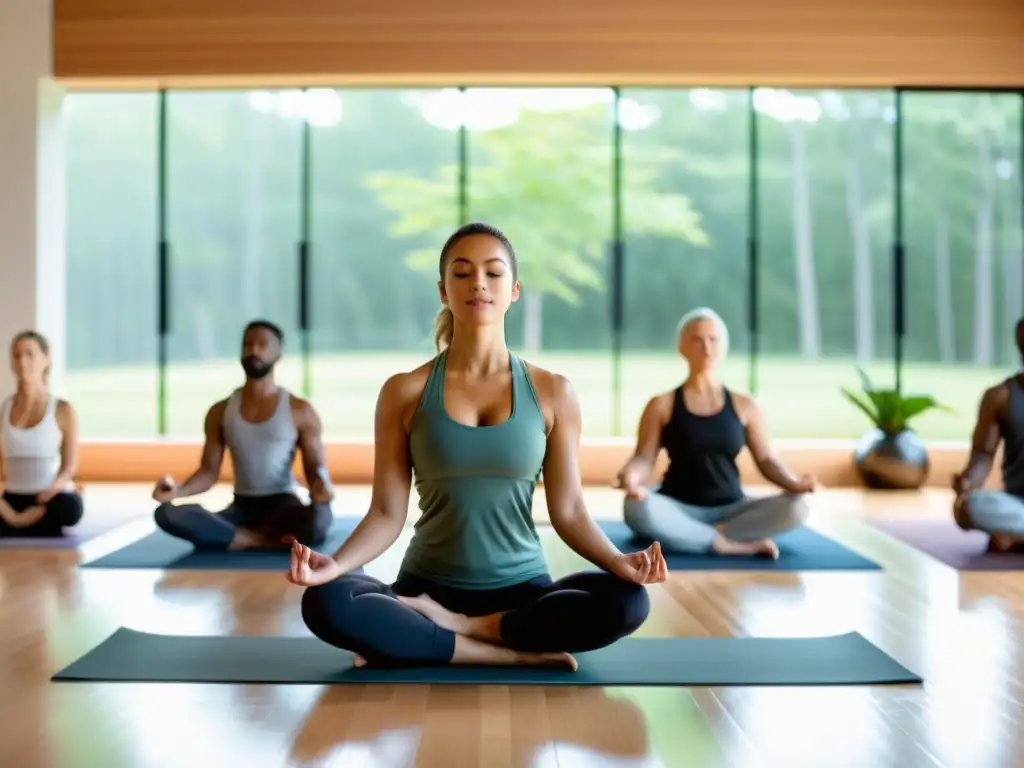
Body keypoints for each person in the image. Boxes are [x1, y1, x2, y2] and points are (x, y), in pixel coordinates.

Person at [286, 222, 665, 671]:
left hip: (521, 594)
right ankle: (499, 652)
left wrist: (619, 561)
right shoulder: (404, 392)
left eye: (494, 272)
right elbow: (387, 514)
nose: (479, 284)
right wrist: (334, 565)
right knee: (326, 601)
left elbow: (570, 512)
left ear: (515, 289)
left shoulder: (553, 392)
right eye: (462, 273)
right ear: (444, 291)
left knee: (628, 602)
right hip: (425, 590)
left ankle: (457, 632)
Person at [613, 307, 817, 559]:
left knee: (797, 509)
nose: (706, 347)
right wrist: (632, 477)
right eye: (697, 339)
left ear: (723, 347)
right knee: (635, 507)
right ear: (681, 347)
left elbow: (767, 460)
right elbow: (644, 458)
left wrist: (794, 483)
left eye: (713, 339)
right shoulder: (661, 404)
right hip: (676, 506)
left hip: (733, 508)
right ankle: (726, 543)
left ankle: (694, 536)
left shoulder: (745, 406)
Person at [152, 320, 334, 551]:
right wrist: (177, 492)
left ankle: (239, 539)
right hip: (240, 510)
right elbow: (208, 473)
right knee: (166, 514)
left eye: (262, 344)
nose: (254, 350)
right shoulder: (220, 411)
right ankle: (263, 540)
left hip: (285, 507)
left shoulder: (300, 410)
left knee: (319, 518)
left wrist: (321, 486)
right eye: (247, 344)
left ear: (278, 354)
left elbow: (315, 467)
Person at [0, 330, 84, 538]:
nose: (22, 361)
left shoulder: (63, 409)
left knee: (70, 507)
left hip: (47, 498)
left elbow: (69, 467)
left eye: (30, 354)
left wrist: (53, 489)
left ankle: (25, 524)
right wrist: (11, 515)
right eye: (17, 355)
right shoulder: (4, 409)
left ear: (45, 360)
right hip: (13, 499)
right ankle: (23, 524)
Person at [952, 318, 1024, 553]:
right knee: (971, 506)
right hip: (1017, 505)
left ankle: (1015, 536)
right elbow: (982, 455)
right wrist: (969, 482)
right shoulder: (1000, 397)